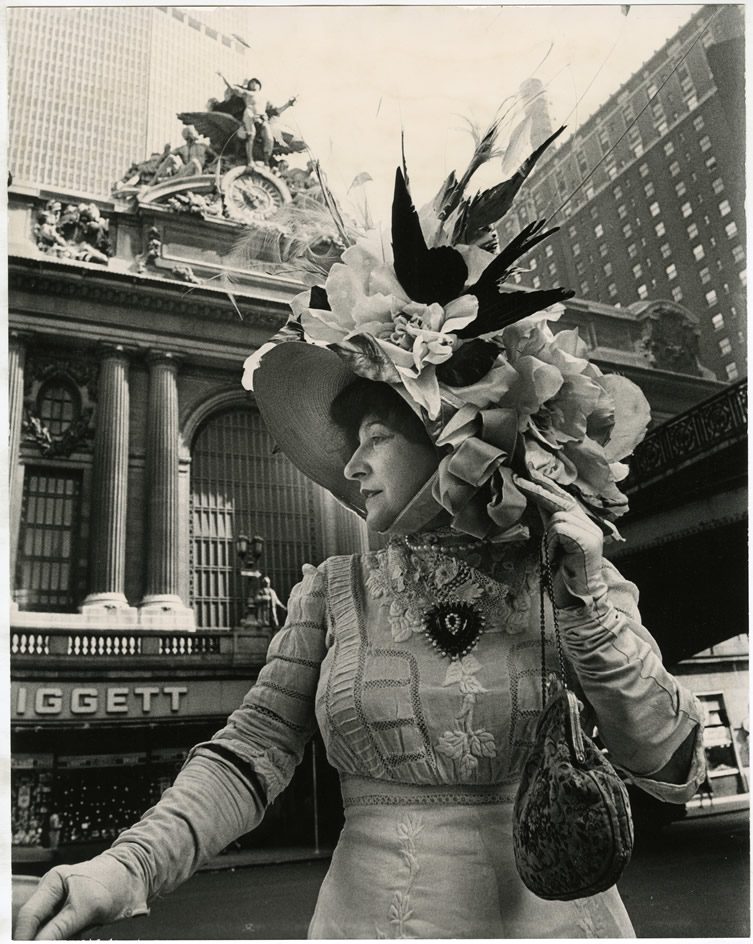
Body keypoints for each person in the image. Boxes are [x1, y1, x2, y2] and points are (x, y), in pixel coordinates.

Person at [16, 119, 706, 941]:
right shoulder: (331, 593)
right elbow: (252, 752)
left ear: (449, 431)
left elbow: (664, 763)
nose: (349, 466)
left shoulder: (572, 578)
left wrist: (587, 604)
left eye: (374, 437)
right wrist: (125, 866)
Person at [216, 73, 296, 167]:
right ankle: (250, 160)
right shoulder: (247, 94)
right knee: (251, 134)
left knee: (269, 139)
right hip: (250, 115)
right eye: (251, 83)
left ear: (259, 86)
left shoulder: (265, 99)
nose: (253, 84)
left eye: (256, 82)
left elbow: (277, 111)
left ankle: (266, 161)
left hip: (262, 118)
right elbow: (233, 89)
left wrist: (288, 104)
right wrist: (223, 77)